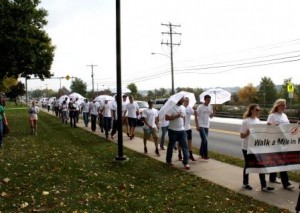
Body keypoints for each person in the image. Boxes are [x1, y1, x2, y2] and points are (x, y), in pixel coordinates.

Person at [240, 104, 274, 191]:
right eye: (256, 110)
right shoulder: (246, 121)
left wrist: (267, 126)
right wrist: (247, 133)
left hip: (256, 146)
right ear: (251, 110)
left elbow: (260, 131)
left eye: (259, 110)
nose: (258, 111)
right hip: (247, 147)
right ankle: (245, 183)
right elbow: (241, 136)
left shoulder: (258, 120)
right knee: (248, 165)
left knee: (261, 165)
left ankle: (264, 186)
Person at [267, 99, 294, 190]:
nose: (284, 107)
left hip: (285, 141)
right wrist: (274, 127)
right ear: (277, 106)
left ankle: (272, 178)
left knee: (276, 160)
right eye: (282, 105)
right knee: (282, 162)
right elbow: (267, 129)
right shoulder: (272, 116)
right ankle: (286, 183)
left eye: (285, 105)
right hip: (276, 142)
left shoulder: (284, 116)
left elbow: (288, 127)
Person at [165, 96, 190, 170]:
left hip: (182, 130)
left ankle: (186, 163)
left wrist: (184, 126)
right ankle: (168, 160)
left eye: (183, 100)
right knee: (171, 146)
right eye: (182, 100)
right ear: (178, 99)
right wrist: (177, 115)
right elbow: (167, 118)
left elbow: (184, 117)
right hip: (172, 130)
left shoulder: (182, 108)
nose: (183, 101)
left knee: (185, 146)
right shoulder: (171, 107)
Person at [195, 94, 215, 160]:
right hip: (201, 125)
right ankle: (205, 155)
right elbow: (196, 116)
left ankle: (201, 153)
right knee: (205, 139)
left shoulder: (210, 107)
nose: (209, 101)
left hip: (207, 125)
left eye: (209, 100)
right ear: (204, 100)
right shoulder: (200, 107)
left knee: (204, 140)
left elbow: (211, 117)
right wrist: (197, 126)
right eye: (207, 100)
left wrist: (214, 112)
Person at [178, 97, 196, 161]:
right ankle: (179, 153)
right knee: (181, 142)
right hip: (182, 128)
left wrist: (195, 112)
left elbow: (195, 113)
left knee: (190, 141)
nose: (187, 102)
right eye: (186, 101)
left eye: (188, 101)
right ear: (183, 101)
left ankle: (190, 154)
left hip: (188, 127)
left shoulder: (190, 108)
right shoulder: (181, 108)